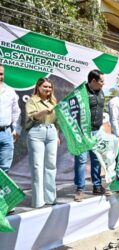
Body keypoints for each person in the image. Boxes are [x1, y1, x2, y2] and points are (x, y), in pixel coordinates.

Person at [74, 70, 110, 202]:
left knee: (96, 160)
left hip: (97, 131)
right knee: (81, 160)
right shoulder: (81, 93)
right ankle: (80, 189)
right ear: (93, 81)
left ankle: (97, 186)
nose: (103, 84)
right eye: (101, 81)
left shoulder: (101, 92)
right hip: (83, 133)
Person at [25, 78, 59, 208]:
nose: (48, 89)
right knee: (37, 167)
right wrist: (45, 111)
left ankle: (50, 198)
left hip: (51, 132)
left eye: (50, 87)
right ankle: (38, 201)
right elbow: (32, 116)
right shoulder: (32, 101)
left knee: (51, 166)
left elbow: (56, 120)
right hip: (36, 132)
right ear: (38, 87)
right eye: (45, 86)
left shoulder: (53, 101)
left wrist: (57, 133)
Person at [0, 64, 21, 174]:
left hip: (6, 133)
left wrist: (16, 130)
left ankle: (1, 191)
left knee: (5, 168)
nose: (0, 76)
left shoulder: (10, 91)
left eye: (1, 74)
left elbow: (16, 112)